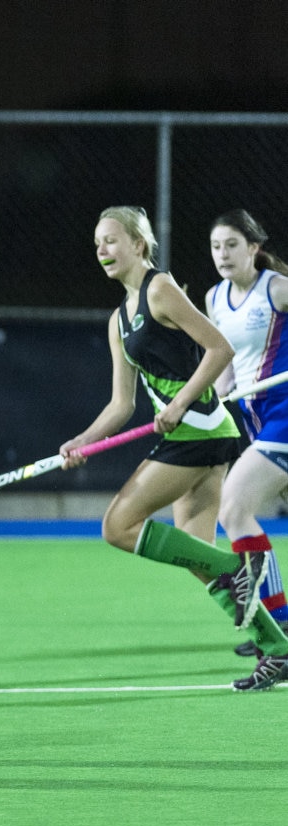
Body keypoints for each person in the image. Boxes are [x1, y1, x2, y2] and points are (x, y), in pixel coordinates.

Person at [59, 205, 286, 690]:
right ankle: (278, 646)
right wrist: (81, 442)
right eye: (97, 242)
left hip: (200, 427)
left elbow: (219, 347)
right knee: (197, 556)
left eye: (112, 240)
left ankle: (241, 567)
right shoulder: (117, 322)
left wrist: (181, 402)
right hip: (201, 432)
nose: (102, 250)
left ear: (139, 245)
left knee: (118, 526)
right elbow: (121, 404)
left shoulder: (160, 289)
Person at [205, 208, 288, 688]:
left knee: (234, 507)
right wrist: (206, 407)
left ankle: (280, 632)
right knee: (238, 510)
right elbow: (226, 370)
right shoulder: (215, 298)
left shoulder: (276, 289)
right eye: (216, 247)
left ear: (253, 248)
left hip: (285, 415)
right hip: (256, 420)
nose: (223, 255)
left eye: (232, 245)